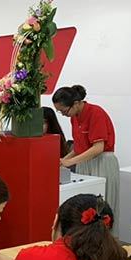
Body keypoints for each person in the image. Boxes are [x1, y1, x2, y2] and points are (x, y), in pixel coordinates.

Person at [52, 85, 119, 226]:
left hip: (102, 162)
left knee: (102, 208)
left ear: (76, 103)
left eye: (64, 111)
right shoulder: (74, 117)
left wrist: (70, 162)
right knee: (84, 209)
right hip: (84, 162)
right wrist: (63, 160)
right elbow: (78, 148)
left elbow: (98, 148)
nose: (63, 114)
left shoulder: (96, 113)